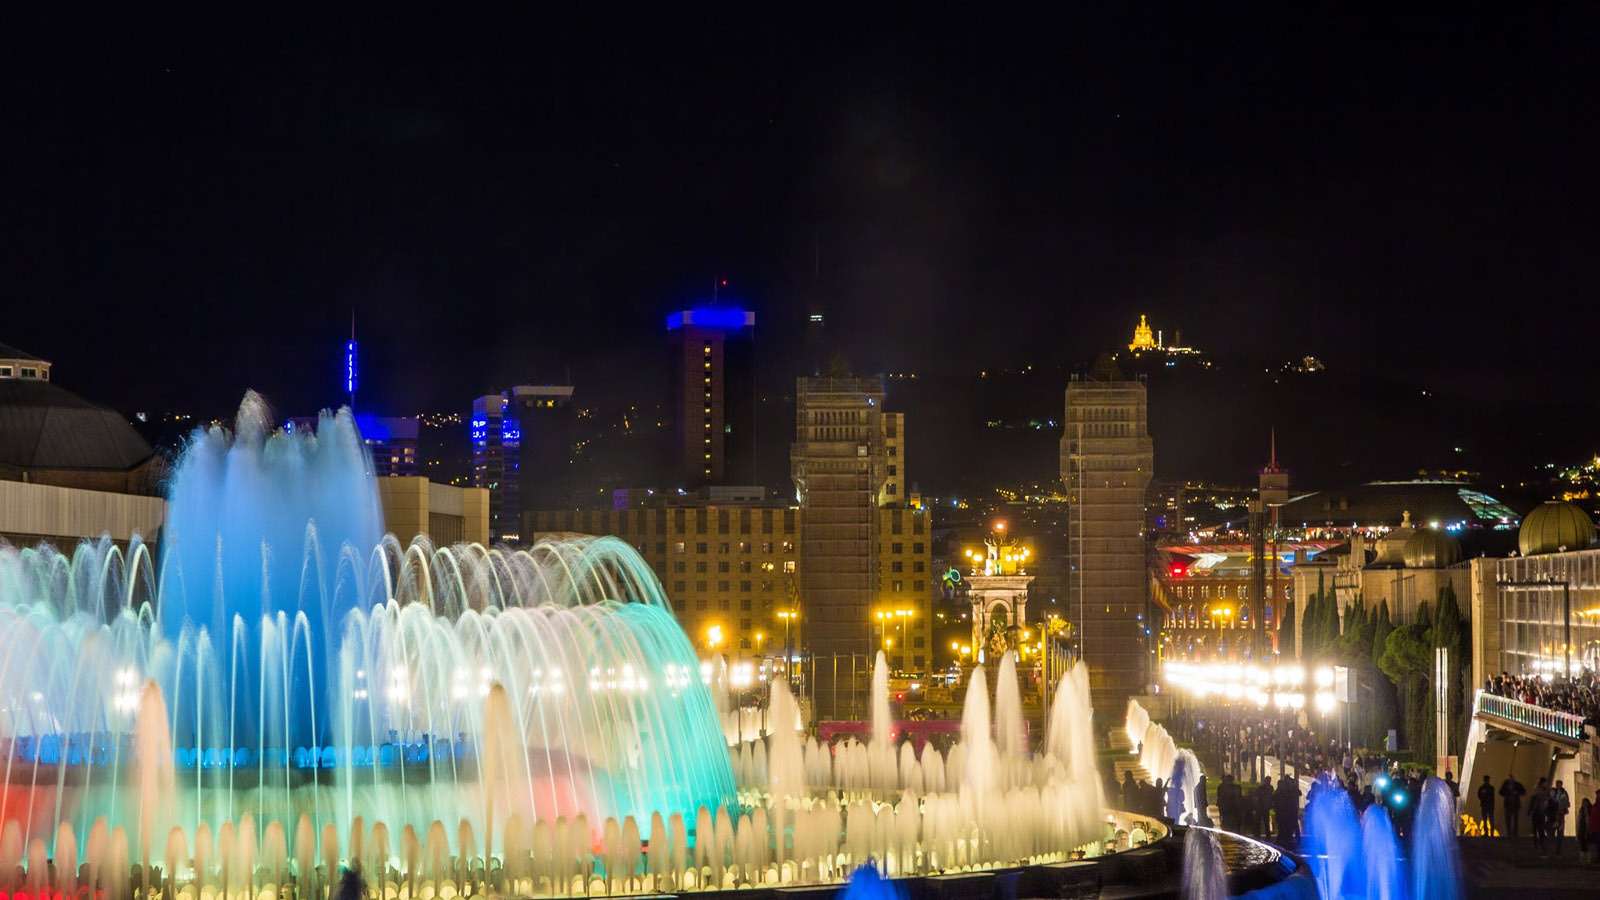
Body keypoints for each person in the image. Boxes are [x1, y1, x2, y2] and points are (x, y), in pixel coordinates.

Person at [1274, 775, 1302, 842]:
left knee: (1294, 824)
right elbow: (1277, 796)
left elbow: (1299, 793)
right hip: (1285, 809)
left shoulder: (1293, 788)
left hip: (1292, 809)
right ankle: (1283, 838)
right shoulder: (1283, 788)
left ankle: (1295, 839)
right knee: (1284, 824)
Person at [1500, 773, 1525, 838]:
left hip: (1515, 804)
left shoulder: (1517, 785)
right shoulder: (1505, 784)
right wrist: (1507, 793)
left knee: (1515, 819)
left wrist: (1517, 792)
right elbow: (1501, 792)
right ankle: (1509, 833)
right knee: (1508, 819)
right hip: (1508, 804)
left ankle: (1514, 833)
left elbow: (1523, 791)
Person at [1531, 777, 1550, 857]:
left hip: (1540, 813)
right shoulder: (1542, 791)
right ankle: (1539, 846)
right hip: (1539, 813)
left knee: (1539, 831)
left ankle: (1539, 846)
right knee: (1538, 830)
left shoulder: (1541, 791)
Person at [1552, 779, 1571, 855]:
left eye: (1559, 784)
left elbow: (1567, 803)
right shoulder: (1553, 792)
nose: (1558, 785)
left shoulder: (1564, 793)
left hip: (1561, 815)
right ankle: (1553, 849)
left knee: (1560, 833)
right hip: (1554, 815)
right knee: (1552, 832)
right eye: (1557, 784)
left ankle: (1558, 850)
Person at [1578, 793, 1592, 860]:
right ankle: (1583, 856)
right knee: (1582, 842)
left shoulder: (1589, 811)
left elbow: (1588, 821)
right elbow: (1579, 820)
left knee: (1586, 842)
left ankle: (1587, 857)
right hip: (1581, 828)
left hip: (1586, 828)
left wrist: (1588, 829)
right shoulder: (1581, 811)